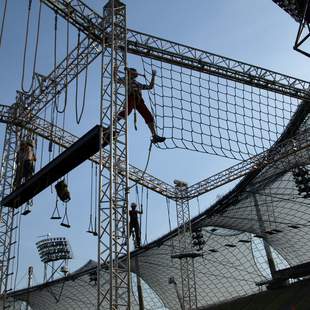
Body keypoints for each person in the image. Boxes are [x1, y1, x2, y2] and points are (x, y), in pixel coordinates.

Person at [116, 67, 166, 144]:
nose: (135, 74)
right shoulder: (125, 79)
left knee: (148, 116)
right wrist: (115, 70)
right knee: (126, 112)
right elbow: (116, 80)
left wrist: (153, 76)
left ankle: (155, 135)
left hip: (139, 100)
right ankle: (112, 124)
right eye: (133, 72)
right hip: (131, 97)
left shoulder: (138, 84)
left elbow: (150, 87)